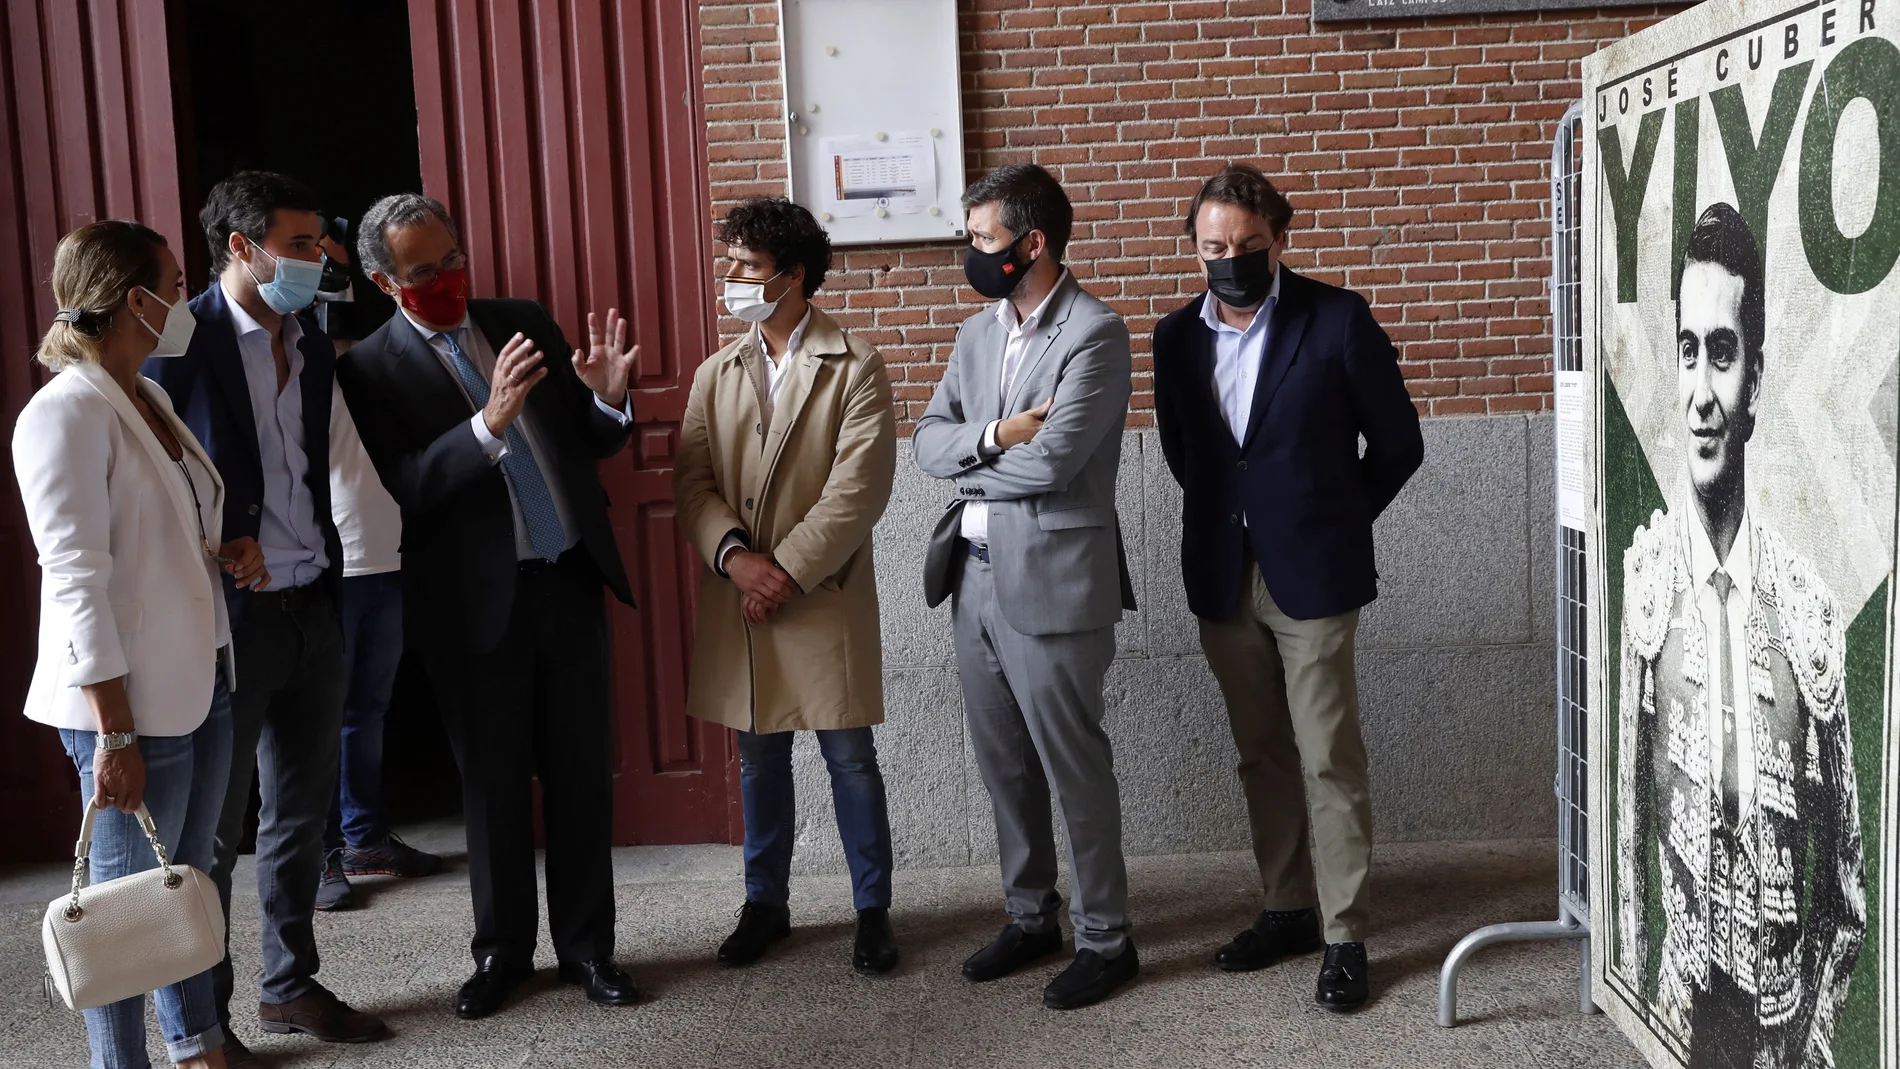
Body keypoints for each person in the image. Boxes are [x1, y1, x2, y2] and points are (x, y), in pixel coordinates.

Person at [336, 193, 641, 1020]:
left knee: (582, 778)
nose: (448, 278)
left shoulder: (519, 319)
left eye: (453, 257)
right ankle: (502, 955)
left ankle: (589, 950)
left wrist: (609, 401)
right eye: (424, 270)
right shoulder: (368, 367)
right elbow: (410, 483)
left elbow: (584, 436)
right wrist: (486, 423)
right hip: (473, 603)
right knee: (493, 786)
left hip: (568, 576)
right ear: (382, 279)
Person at [1152, 163, 1422, 1011]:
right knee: (1259, 753)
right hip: (1221, 575)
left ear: (1280, 239)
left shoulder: (1336, 319)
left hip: (1312, 574)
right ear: (1192, 247)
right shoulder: (1173, 338)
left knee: (1328, 756)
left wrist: (1335, 517)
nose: (1229, 259)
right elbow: (1186, 456)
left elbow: (1399, 443)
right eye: (1212, 246)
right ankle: (1286, 906)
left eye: (1247, 245)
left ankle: (1345, 934)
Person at [144, 172, 386, 1065]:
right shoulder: (179, 342)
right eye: (298, 245)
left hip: (312, 603)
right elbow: (147, 478)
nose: (318, 260)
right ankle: (201, 1024)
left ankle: (290, 983)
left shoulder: (313, 344)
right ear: (241, 249)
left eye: (318, 243)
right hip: (229, 619)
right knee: (211, 832)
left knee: (301, 814)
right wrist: (213, 543)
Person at [1616, 203, 1864, 1068]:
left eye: (1722, 354)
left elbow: (1846, 897)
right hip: (1680, 1026)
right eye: (1688, 350)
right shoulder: (1645, 586)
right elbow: (1627, 859)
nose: (1700, 393)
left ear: (1754, 380)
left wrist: (1811, 1042)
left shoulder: (1808, 611)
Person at [12, 220, 253, 1069]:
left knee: (182, 888)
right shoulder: (64, 412)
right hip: (127, 703)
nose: (184, 300)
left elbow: (166, 527)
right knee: (119, 914)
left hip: (202, 677)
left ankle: (199, 1050)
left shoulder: (144, 394)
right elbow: (73, 576)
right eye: (174, 283)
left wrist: (224, 547)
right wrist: (112, 730)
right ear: (131, 299)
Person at [913, 163, 1140, 1010]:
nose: (972, 253)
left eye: (982, 239)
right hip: (971, 581)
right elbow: (927, 443)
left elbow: (1055, 464)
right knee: (1004, 763)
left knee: (1072, 763)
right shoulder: (975, 335)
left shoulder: (1095, 333)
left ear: (1031, 242)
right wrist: (998, 433)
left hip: (1054, 579)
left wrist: (974, 463)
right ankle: (1030, 914)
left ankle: (1108, 939)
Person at [674, 198, 900, 974]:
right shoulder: (715, 372)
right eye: (730, 261)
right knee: (758, 762)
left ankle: (874, 910)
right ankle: (763, 902)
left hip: (818, 592)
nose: (731, 278)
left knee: (850, 758)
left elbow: (858, 488)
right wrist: (737, 560)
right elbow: (693, 482)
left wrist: (785, 572)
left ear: (793, 276)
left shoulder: (856, 363)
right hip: (744, 595)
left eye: (747, 266)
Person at [313, 222, 443, 915]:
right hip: (331, 555)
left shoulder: (394, 352)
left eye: (338, 267)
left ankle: (363, 836)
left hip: (392, 550)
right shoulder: (297, 357)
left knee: (369, 707)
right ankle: (321, 850)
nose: (330, 282)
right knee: (317, 715)